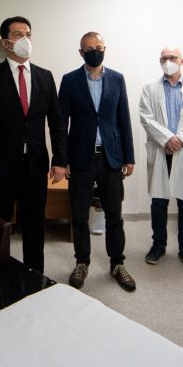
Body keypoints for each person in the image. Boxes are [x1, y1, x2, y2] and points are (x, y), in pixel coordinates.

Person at [0, 16, 67, 273]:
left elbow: (57, 122)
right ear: (5, 43)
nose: (25, 39)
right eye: (18, 35)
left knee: (34, 225)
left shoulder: (45, 77)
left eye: (28, 34)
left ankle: (34, 277)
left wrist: (60, 160)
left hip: (35, 165)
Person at [58, 32, 137, 292]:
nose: (95, 52)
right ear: (81, 52)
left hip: (110, 157)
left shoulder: (117, 79)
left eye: (99, 47)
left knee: (114, 214)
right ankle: (82, 262)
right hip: (80, 158)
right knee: (80, 215)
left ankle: (117, 263)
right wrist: (62, 159)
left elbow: (124, 119)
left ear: (105, 49)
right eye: (89, 48)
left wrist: (129, 156)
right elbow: (61, 124)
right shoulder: (69, 80)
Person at [137, 46, 183, 273]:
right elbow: (146, 117)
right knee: (159, 201)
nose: (168, 61)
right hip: (161, 150)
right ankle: (158, 245)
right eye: (164, 58)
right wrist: (167, 139)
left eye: (172, 57)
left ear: (181, 60)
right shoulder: (149, 88)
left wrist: (181, 139)